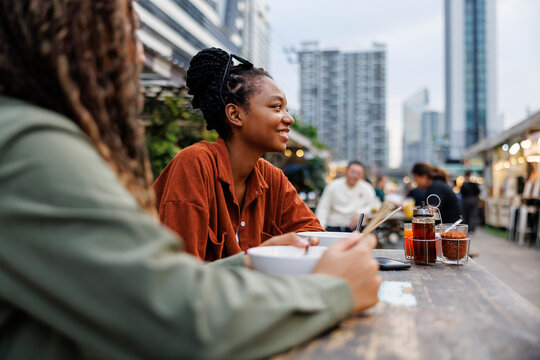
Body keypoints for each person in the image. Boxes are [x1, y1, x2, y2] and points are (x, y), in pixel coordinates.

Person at [0, 1, 382, 359]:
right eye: (126, 33)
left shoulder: (271, 177)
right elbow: (175, 312)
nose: (138, 56)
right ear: (76, 36)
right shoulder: (30, 145)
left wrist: (253, 260)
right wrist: (333, 291)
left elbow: (163, 291)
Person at [153, 48, 323, 261]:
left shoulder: (273, 180)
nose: (289, 119)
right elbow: (181, 279)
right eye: (276, 107)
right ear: (235, 114)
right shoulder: (195, 165)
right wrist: (258, 258)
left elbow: (314, 240)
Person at [316, 161, 381, 231]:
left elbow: (375, 206)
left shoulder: (367, 188)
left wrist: (362, 213)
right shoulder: (333, 186)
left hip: (358, 229)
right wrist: (321, 229)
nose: (355, 175)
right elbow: (323, 208)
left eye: (359, 173)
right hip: (334, 227)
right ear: (346, 172)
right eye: (353, 172)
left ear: (362, 175)